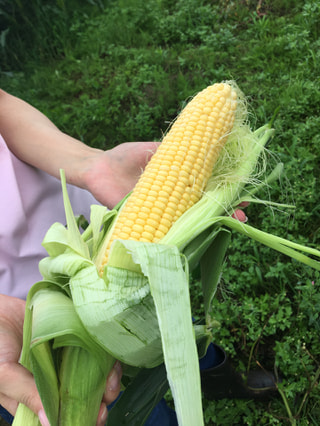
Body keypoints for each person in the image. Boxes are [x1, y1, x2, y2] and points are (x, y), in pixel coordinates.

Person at [0, 89, 276, 426]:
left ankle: (221, 379)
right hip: (19, 327)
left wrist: (92, 164)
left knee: (180, 325)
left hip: (89, 246)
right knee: (133, 409)